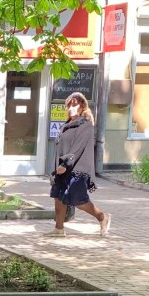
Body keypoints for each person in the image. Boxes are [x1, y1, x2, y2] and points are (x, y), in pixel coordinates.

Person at [50, 93, 110, 235]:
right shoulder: (66, 125)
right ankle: (59, 229)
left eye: (74, 104)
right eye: (69, 105)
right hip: (63, 168)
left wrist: (66, 164)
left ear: (82, 106)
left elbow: (78, 146)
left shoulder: (86, 124)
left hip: (77, 168)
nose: (71, 108)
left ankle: (103, 217)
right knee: (59, 198)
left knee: (78, 200)